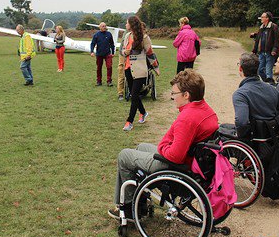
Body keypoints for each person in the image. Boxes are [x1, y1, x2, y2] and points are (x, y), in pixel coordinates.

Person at [108, 69, 218, 219]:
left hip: (176, 166)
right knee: (141, 147)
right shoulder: (205, 110)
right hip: (195, 162)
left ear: (186, 95)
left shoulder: (187, 118)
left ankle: (128, 209)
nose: (172, 97)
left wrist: (163, 147)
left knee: (124, 155)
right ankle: (139, 201)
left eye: (174, 93)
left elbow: (175, 156)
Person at [233, 52, 279, 138]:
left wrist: (242, 138)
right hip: (272, 137)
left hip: (253, 138)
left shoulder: (240, 94)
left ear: (240, 68)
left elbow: (241, 122)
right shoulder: (272, 89)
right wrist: (276, 125)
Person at [122, 16, 159, 132]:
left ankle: (129, 121)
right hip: (128, 68)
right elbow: (122, 51)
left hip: (140, 70)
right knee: (134, 94)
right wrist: (125, 52)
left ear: (132, 24)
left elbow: (150, 53)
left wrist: (156, 67)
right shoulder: (127, 36)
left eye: (127, 23)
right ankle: (143, 112)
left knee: (134, 95)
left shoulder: (144, 38)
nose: (126, 25)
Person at [252, 11, 279, 83]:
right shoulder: (261, 27)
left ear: (267, 18)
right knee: (260, 70)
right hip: (261, 52)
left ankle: (270, 84)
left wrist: (274, 50)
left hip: (270, 52)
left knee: (268, 72)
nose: (261, 18)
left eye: (262, 17)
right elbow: (258, 38)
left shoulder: (273, 26)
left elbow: (276, 40)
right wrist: (254, 50)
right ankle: (267, 83)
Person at [90, 22, 115, 86]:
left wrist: (113, 52)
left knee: (109, 67)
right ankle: (99, 81)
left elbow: (112, 44)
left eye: (105, 26)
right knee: (99, 68)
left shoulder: (109, 34)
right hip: (99, 54)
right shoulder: (96, 35)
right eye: (103, 26)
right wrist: (92, 51)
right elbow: (92, 43)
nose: (104, 27)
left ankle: (109, 81)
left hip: (108, 54)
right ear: (100, 27)